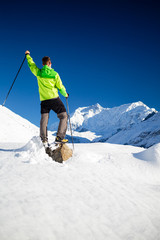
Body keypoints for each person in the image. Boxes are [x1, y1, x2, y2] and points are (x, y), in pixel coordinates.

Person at [25, 50, 68, 148]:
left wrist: (28, 55)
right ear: (49, 63)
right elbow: (60, 87)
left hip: (44, 100)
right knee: (63, 116)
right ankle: (59, 138)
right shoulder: (55, 74)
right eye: (51, 63)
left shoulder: (39, 73)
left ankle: (43, 140)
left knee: (44, 119)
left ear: (42, 64)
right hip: (54, 99)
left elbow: (32, 65)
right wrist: (65, 94)